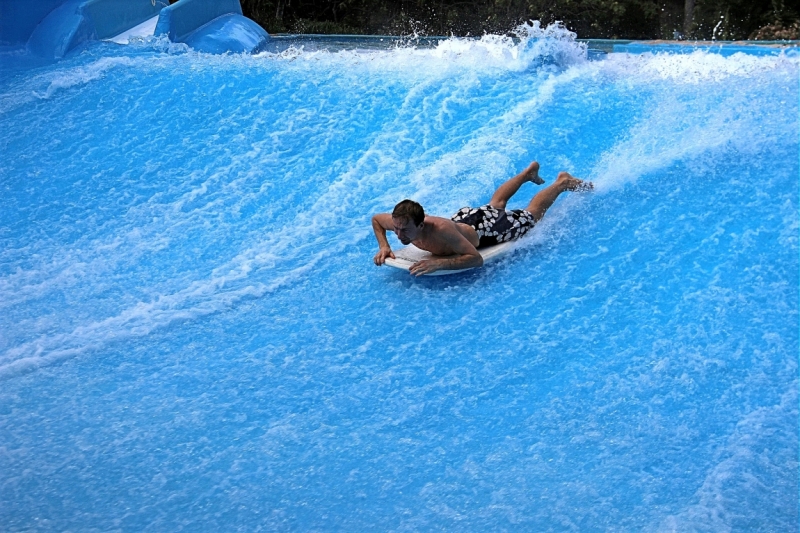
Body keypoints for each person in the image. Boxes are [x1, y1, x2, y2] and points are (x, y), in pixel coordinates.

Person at [371, 161, 592, 276]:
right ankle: (527, 175)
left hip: (483, 231)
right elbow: (377, 220)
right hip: (465, 220)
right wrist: (384, 245)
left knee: (531, 216)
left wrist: (439, 264)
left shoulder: (441, 230)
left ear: (420, 224)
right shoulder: (400, 221)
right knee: (494, 206)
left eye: (403, 230)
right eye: (396, 229)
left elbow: (476, 258)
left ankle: (562, 182)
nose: (398, 234)